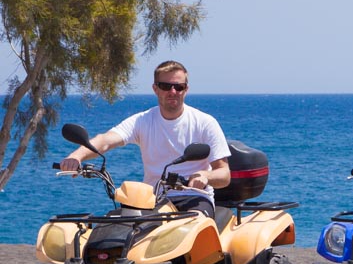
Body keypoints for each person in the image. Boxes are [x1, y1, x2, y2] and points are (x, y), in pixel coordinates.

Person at [60, 60, 231, 217]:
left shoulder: (204, 122)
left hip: (194, 198)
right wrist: (77, 156)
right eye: (165, 86)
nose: (173, 92)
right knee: (117, 228)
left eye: (178, 87)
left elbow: (224, 174)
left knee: (193, 226)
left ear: (186, 89)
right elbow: (105, 140)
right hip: (153, 199)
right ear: (155, 88)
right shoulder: (143, 121)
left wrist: (205, 176)